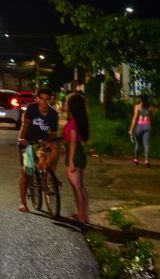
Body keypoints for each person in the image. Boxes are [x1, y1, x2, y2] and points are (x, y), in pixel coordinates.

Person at [18, 87, 60, 212]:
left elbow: (53, 133)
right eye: (41, 98)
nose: (44, 101)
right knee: (26, 172)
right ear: (37, 99)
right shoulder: (31, 108)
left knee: (56, 147)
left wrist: (46, 140)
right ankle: (22, 202)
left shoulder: (53, 114)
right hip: (29, 142)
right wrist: (22, 139)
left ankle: (50, 174)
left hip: (43, 142)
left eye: (47, 99)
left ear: (50, 100)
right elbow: (26, 124)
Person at [64, 92, 90, 224]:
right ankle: (83, 215)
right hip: (79, 155)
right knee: (80, 187)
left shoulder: (73, 122)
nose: (65, 104)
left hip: (75, 155)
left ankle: (82, 217)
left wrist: (70, 161)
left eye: (67, 102)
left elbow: (73, 141)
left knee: (77, 187)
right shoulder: (79, 120)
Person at [129, 93, 153, 167]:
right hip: (147, 125)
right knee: (146, 145)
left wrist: (131, 129)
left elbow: (135, 118)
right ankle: (146, 161)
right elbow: (152, 119)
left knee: (138, 144)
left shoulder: (137, 107)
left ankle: (136, 159)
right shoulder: (150, 108)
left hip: (139, 126)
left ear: (140, 99)